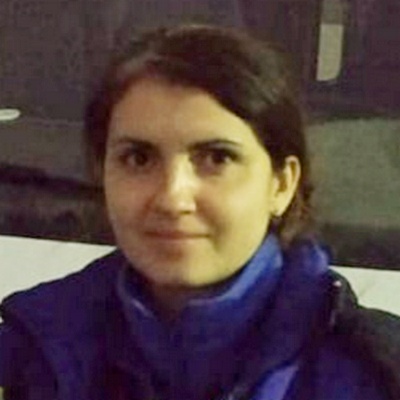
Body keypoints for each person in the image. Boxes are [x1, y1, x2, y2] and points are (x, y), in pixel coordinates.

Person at [0, 24, 399, 400]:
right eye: (138, 158)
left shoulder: (373, 375)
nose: (172, 199)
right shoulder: (32, 356)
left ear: (281, 184)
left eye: (217, 158)